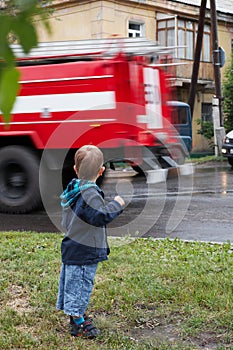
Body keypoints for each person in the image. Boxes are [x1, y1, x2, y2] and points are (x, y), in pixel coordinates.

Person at [56, 145, 125, 339]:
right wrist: (116, 205)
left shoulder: (74, 189)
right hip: (84, 250)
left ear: (76, 170)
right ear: (101, 171)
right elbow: (99, 216)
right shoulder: (90, 194)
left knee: (72, 283)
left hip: (72, 246)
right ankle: (79, 323)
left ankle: (74, 315)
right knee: (81, 285)